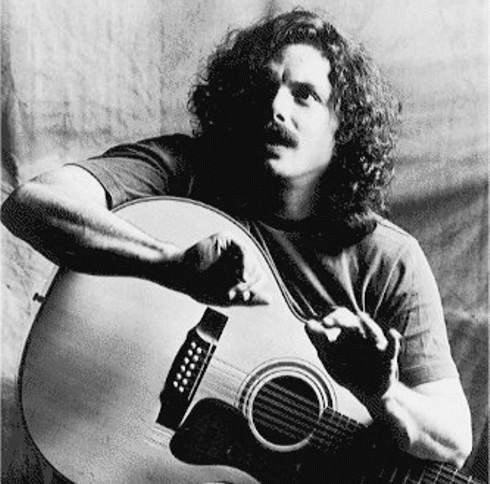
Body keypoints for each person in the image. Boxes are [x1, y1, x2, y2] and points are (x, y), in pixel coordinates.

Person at [2, 8, 472, 474]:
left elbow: (453, 441)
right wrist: (171, 266)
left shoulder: (389, 259)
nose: (276, 107)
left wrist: (381, 392)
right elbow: (32, 204)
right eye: (263, 88)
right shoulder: (184, 169)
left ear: (343, 126)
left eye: (304, 95)